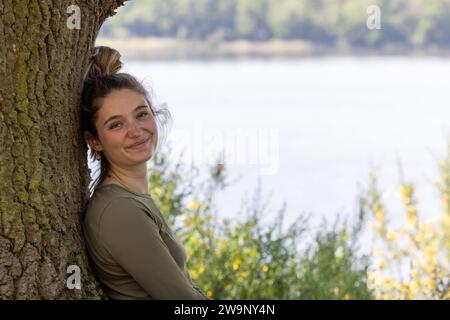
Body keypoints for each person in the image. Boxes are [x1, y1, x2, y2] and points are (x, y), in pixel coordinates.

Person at [81, 46, 208, 300]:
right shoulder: (120, 212)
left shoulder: (130, 198)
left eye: (141, 114)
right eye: (116, 124)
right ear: (95, 141)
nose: (136, 130)